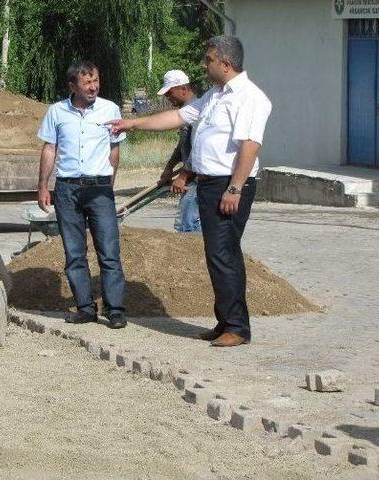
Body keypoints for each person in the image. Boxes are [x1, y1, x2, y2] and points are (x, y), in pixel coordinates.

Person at [109, 36, 272, 347]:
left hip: (229, 184)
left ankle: (237, 328)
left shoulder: (250, 98)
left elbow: (250, 146)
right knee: (219, 254)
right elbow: (178, 117)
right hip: (211, 184)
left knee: (223, 254)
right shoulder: (215, 95)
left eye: (209, 59)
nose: (204, 64)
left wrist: (235, 188)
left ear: (226, 63)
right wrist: (133, 124)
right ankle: (225, 321)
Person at [36, 60, 128, 329]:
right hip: (67, 189)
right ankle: (85, 308)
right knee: (74, 253)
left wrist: (110, 181)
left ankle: (115, 310)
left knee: (109, 251)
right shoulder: (56, 112)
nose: (93, 86)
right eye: (87, 82)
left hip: (100, 188)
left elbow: (114, 148)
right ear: (72, 86)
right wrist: (43, 186)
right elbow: (50, 149)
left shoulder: (110, 109)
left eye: (96, 81)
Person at [156, 70, 202, 233]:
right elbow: (182, 145)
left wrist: (182, 177)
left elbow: (198, 149)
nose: (168, 97)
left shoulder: (196, 111)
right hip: (190, 176)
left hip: (198, 178)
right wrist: (169, 168)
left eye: (170, 92)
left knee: (187, 223)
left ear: (183, 89)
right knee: (186, 221)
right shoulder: (185, 112)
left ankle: (196, 257)